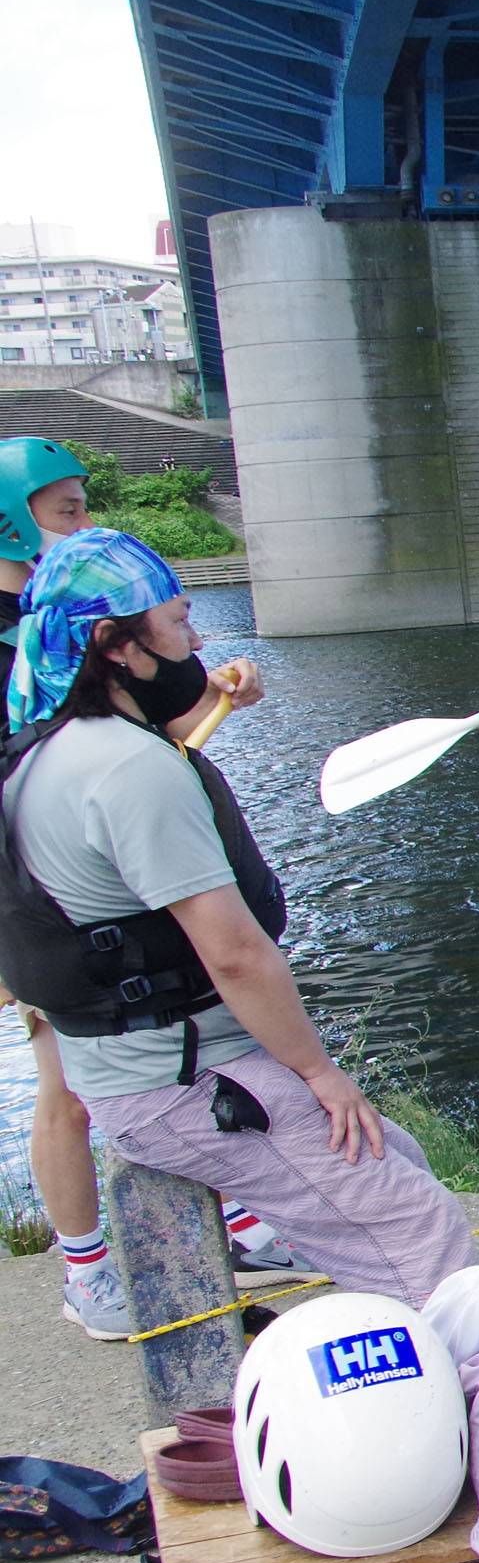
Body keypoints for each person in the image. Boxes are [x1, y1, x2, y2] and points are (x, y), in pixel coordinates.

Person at [0, 530, 475, 1312]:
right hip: (182, 1082)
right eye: (180, 620)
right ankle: (467, 1402)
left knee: (397, 1156)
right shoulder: (127, 767)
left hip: (154, 1069)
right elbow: (235, 956)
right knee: (415, 1229)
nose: (197, 638)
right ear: (115, 645)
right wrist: (320, 1074)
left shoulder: (45, 750)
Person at [2, 448, 299, 1341]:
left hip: (119, 893)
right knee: (71, 1085)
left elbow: (151, 725)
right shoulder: (46, 622)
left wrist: (220, 689)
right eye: (65, 510)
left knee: (179, 1068)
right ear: (16, 522)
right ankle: (88, 1270)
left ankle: (239, 1224)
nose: (83, 522)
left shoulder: (82, 613)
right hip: (46, 901)